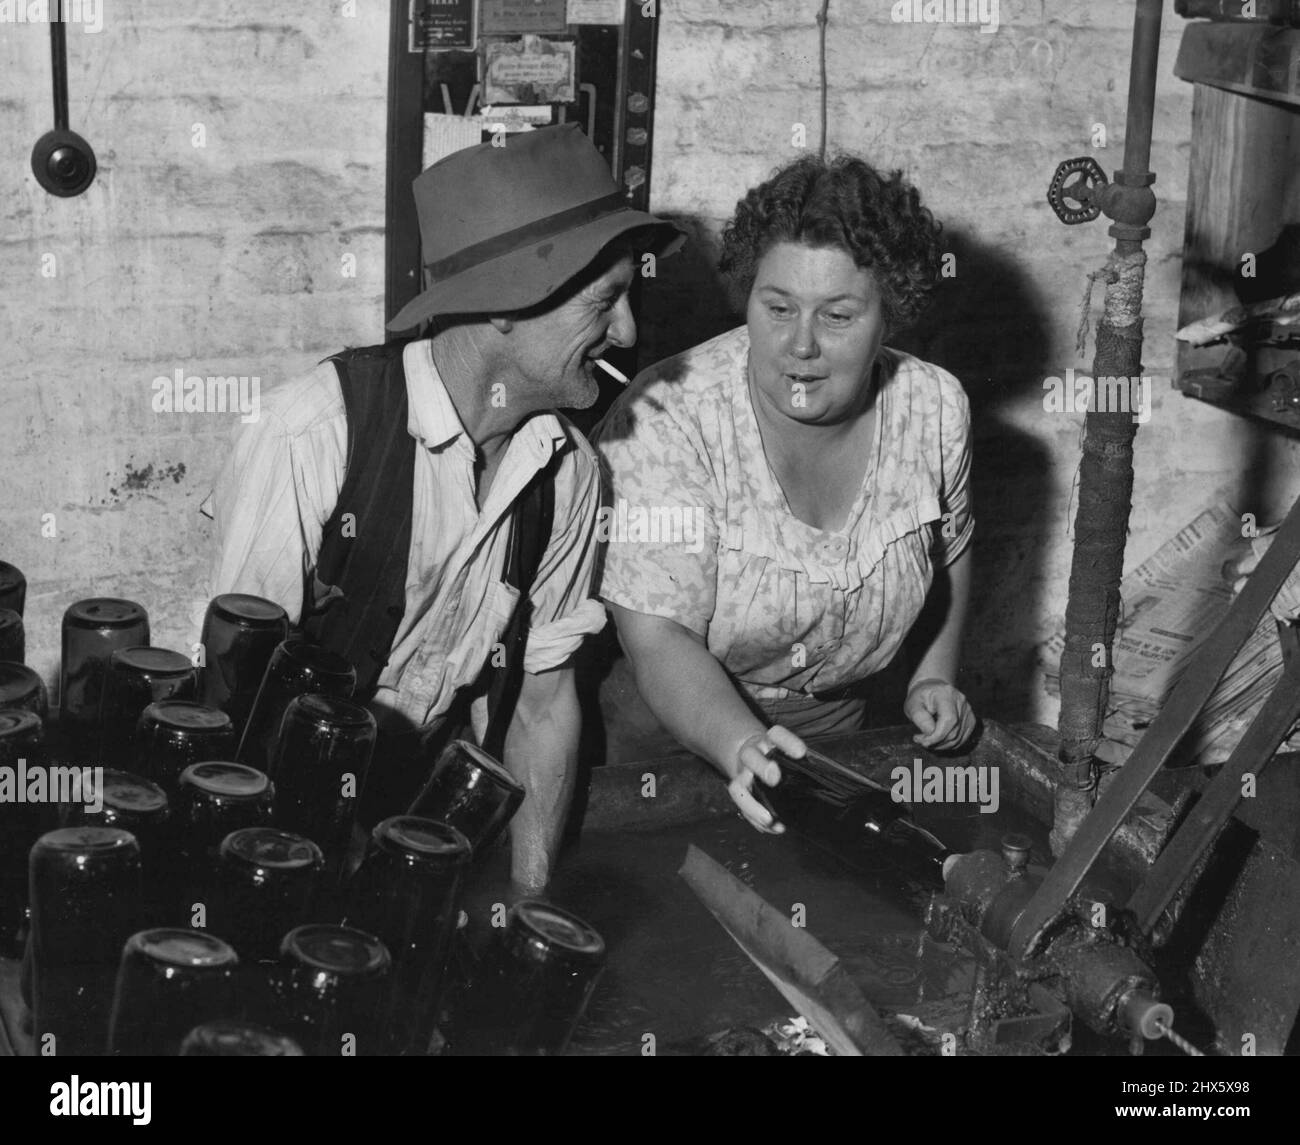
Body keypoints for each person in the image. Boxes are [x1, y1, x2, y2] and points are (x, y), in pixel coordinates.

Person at [204, 125, 681, 891]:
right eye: (607, 300)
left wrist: (528, 902)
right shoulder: (311, 435)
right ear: (504, 304)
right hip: (263, 834)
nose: (627, 331)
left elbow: (540, 705)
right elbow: (232, 718)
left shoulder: (570, 474)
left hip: (412, 827)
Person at [594, 152, 975, 832]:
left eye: (838, 315)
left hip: (838, 735)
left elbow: (952, 545)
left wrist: (932, 677)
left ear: (892, 313)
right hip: (666, 737)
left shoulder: (934, 406)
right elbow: (657, 636)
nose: (800, 345)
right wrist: (745, 748)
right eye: (777, 308)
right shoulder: (667, 415)